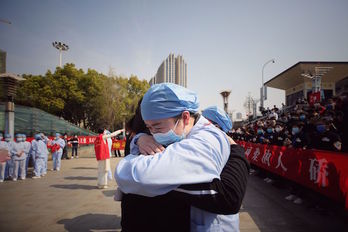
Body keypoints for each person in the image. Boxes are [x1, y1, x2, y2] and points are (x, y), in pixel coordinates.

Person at [115, 83, 236, 231]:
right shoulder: (182, 133)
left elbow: (136, 175)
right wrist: (139, 138)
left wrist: (126, 162)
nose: (153, 134)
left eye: (158, 127)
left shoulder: (204, 142)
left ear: (185, 117)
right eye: (149, 128)